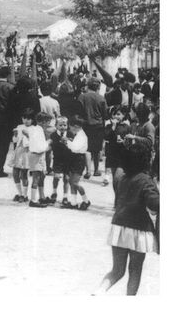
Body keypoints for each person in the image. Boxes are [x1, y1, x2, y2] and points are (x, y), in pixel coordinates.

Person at [94, 145, 159, 295]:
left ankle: (98, 293)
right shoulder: (146, 181)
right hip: (138, 229)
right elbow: (154, 204)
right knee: (135, 271)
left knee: (117, 270)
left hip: (119, 226)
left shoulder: (121, 178)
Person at [78, 77, 108, 178]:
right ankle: (96, 170)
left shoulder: (82, 97)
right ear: (98, 87)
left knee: (87, 149)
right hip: (98, 126)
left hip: (85, 125)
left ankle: (88, 171)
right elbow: (105, 114)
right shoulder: (101, 98)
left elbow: (78, 112)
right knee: (97, 149)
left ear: (88, 85)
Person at [62, 115, 91, 210]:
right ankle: (73, 202)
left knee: (75, 182)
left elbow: (75, 148)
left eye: (71, 127)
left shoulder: (82, 136)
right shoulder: (77, 134)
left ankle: (86, 201)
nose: (70, 129)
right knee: (71, 181)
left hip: (79, 159)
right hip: (74, 158)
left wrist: (66, 142)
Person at [104, 106, 131, 200]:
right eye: (114, 114)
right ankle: (117, 198)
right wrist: (113, 126)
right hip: (112, 154)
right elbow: (106, 137)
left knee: (118, 178)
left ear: (124, 115)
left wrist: (124, 141)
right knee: (115, 181)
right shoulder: (108, 126)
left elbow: (130, 142)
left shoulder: (127, 127)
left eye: (118, 114)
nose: (116, 116)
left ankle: (120, 199)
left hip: (122, 155)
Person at [49, 116, 72, 205]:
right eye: (60, 125)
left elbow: (73, 145)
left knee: (66, 178)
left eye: (64, 125)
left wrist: (68, 142)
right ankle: (54, 192)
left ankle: (65, 196)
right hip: (57, 160)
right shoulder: (54, 135)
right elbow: (51, 145)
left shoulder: (70, 134)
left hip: (68, 160)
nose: (63, 127)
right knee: (56, 177)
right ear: (56, 126)